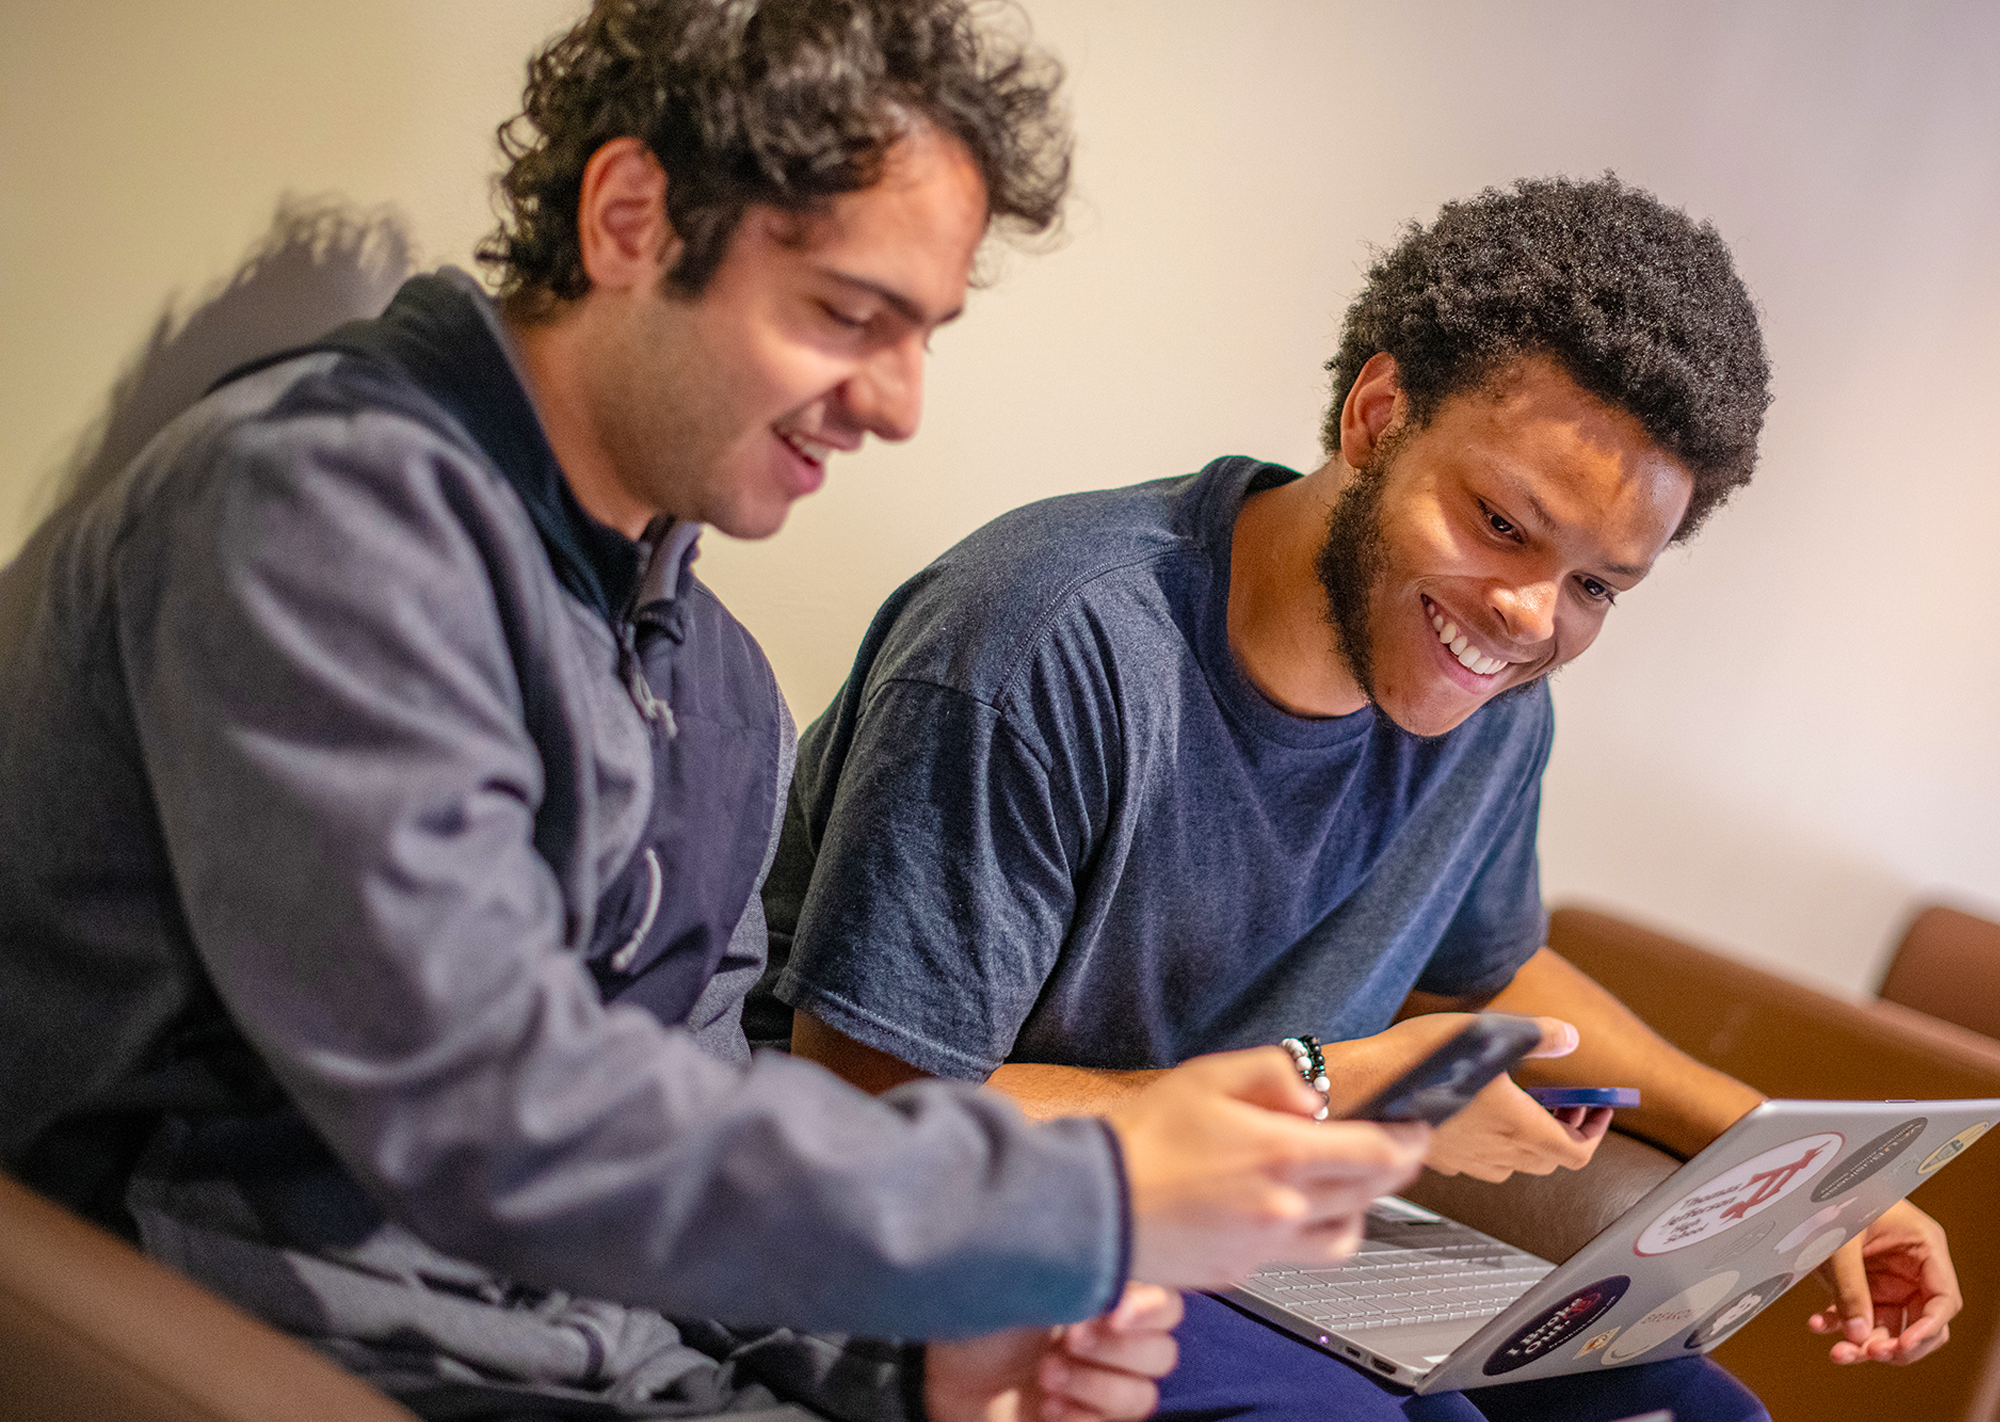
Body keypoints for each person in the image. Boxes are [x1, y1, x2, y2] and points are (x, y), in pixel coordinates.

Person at [0, 0, 1442, 1419]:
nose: (895, 404)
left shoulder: (717, 684)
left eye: (922, 336)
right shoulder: (319, 517)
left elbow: (701, 1112)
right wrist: (1076, 1198)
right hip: (263, 1353)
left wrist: (921, 1358)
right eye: (844, 315)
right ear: (630, 216)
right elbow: (500, 1114)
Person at [755, 175, 1965, 1421]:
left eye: (1597, 588)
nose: (1527, 619)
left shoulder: (1491, 704)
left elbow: (1479, 975)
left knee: (1703, 1416)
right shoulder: (1043, 641)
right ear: (1377, 417)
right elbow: (873, 1109)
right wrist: (1339, 1090)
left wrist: (1800, 1167)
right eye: (1500, 522)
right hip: (973, 1223)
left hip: (1251, 1224)